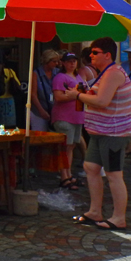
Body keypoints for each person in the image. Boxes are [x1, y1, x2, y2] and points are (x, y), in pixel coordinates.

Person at [65, 37, 131, 231]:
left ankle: (119, 217)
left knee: (113, 174)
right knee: (90, 167)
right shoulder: (104, 73)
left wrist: (77, 95)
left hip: (113, 132)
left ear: (107, 55)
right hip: (99, 131)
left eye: (95, 52)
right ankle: (95, 211)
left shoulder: (113, 73)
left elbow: (103, 101)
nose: (91, 55)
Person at [52, 52, 85, 190]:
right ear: (63, 63)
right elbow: (58, 97)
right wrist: (75, 95)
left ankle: (68, 174)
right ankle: (64, 176)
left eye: (74, 61)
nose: (72, 64)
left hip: (77, 116)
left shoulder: (77, 76)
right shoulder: (60, 77)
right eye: (69, 61)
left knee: (71, 147)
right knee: (65, 147)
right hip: (64, 117)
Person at [30, 49, 60, 132]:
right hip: (39, 109)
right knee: (40, 134)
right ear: (47, 61)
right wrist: (41, 111)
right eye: (54, 61)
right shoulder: (35, 74)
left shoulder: (58, 72)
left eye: (57, 61)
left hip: (54, 109)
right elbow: (33, 94)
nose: (56, 64)